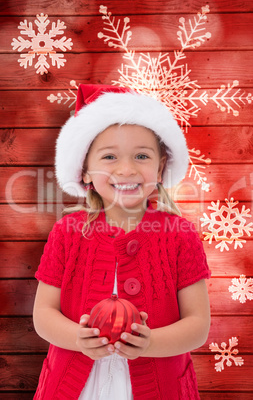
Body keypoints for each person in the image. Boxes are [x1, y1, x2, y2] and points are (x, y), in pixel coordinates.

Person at [33, 84, 211, 400]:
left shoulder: (180, 235)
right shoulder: (67, 233)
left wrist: (150, 343)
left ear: (160, 167)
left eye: (141, 156)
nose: (126, 169)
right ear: (85, 170)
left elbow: (197, 325)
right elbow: (43, 314)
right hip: (75, 385)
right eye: (110, 156)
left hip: (158, 385)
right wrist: (78, 338)